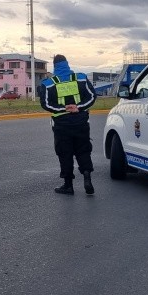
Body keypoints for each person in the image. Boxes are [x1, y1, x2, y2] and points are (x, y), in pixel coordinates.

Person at [39, 54, 97, 195]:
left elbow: (46, 104)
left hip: (61, 125)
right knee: (83, 150)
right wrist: (79, 107)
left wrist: (63, 109)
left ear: (55, 65)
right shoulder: (81, 78)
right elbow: (92, 96)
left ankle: (68, 185)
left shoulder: (48, 83)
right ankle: (87, 176)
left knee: (65, 153)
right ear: (67, 64)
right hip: (81, 122)